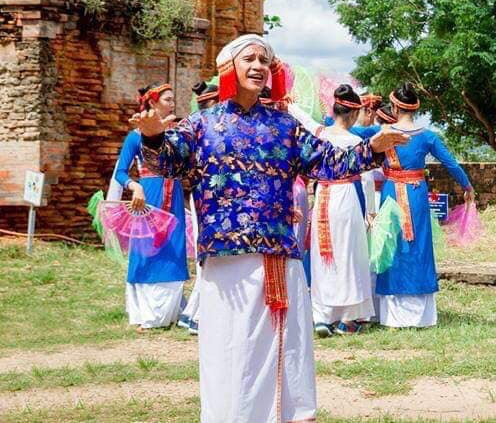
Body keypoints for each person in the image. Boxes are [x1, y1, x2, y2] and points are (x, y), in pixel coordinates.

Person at [130, 34, 408, 423]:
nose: (259, 65)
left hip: (276, 257)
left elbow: (329, 163)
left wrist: (373, 148)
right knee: (229, 350)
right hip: (224, 261)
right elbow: (168, 163)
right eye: (249, 58)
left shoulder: (284, 126)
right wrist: (152, 135)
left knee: (284, 349)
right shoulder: (202, 125)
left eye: (265, 59)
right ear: (229, 68)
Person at [374, 82, 473, 328]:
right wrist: (468, 186)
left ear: (394, 105)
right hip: (417, 193)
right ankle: (421, 315)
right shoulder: (427, 136)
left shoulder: (384, 135)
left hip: (391, 195)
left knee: (392, 245)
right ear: (415, 108)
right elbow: (451, 164)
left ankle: (393, 314)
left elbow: (345, 130)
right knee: (418, 246)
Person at [112, 83, 189, 332]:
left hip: (174, 195)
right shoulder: (135, 136)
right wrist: (135, 187)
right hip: (148, 197)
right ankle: (147, 314)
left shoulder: (176, 134)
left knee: (174, 248)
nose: (172, 103)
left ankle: (171, 309)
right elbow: (121, 172)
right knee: (146, 249)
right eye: (167, 99)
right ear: (153, 104)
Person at [309, 85, 376, 336]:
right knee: (349, 254)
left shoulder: (319, 135)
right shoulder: (357, 142)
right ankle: (348, 317)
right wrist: (370, 210)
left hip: (323, 197)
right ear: (352, 114)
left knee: (322, 254)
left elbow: (303, 119)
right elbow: (367, 180)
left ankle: (322, 315)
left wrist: (289, 104)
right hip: (347, 197)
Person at [178, 81, 220, 334]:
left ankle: (193, 312)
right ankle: (197, 314)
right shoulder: (201, 127)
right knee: (211, 254)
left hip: (207, 194)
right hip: (207, 195)